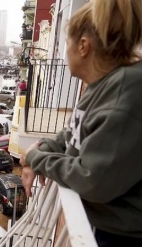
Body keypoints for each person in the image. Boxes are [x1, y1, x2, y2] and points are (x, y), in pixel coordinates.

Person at [19, 0, 142, 246]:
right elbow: (70, 134)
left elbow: (92, 180)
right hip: (105, 226)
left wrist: (36, 159)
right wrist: (44, 148)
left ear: (83, 46)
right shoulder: (102, 86)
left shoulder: (124, 90)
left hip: (122, 237)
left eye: (67, 44)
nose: (65, 52)